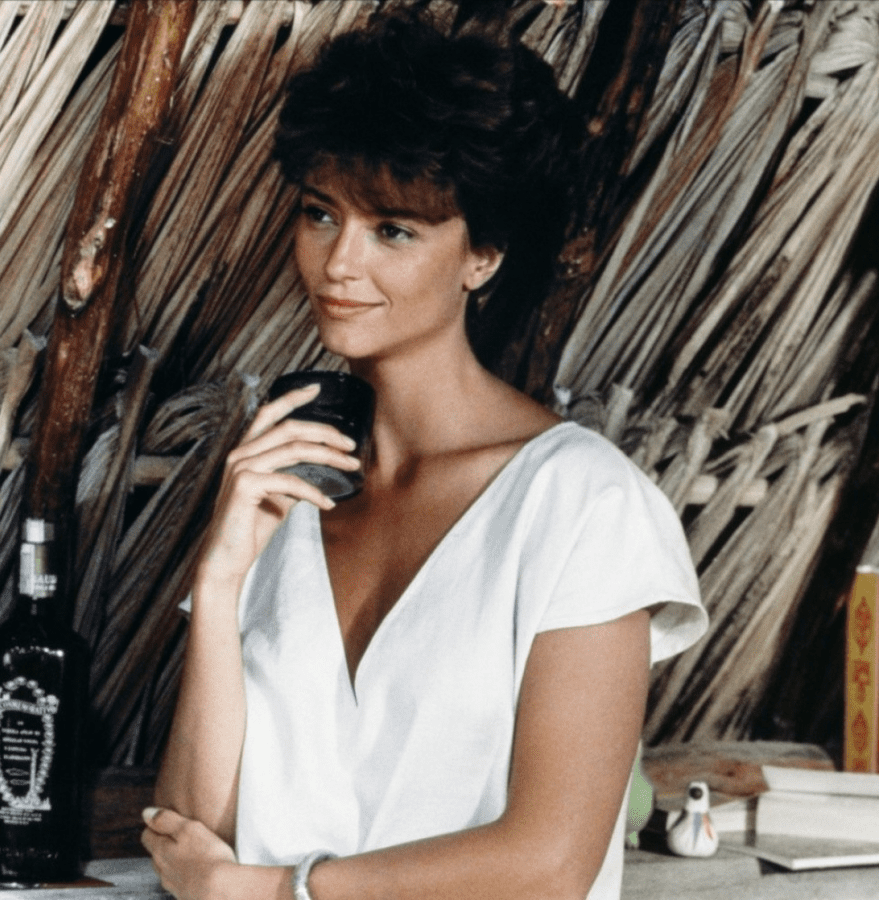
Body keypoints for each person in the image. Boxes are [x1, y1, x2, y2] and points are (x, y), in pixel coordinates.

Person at [141, 11, 706, 900]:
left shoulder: (583, 505)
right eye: (320, 214)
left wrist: (275, 891)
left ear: (483, 254)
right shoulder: (287, 488)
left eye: (394, 230)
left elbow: (550, 864)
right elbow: (192, 838)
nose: (339, 263)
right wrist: (218, 583)